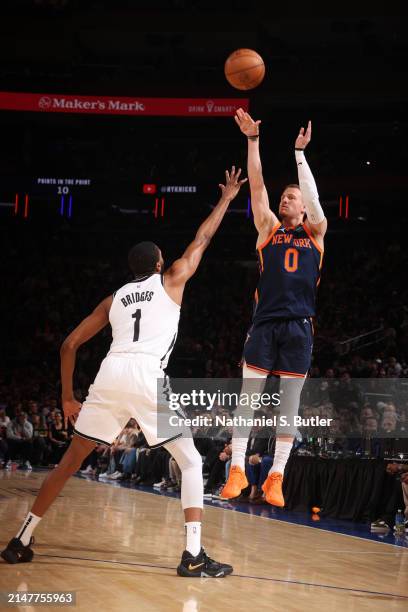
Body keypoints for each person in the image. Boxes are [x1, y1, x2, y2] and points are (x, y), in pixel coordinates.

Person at [1, 167, 247, 577]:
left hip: (110, 372)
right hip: (147, 374)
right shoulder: (171, 279)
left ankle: (20, 540)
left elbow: (68, 345)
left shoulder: (113, 298)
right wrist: (225, 199)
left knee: (68, 463)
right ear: (158, 262)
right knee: (189, 462)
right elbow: (203, 239)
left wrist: (66, 397)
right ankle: (193, 556)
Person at [221, 110, 327, 507]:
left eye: (293, 196)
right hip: (264, 324)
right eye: (285, 195)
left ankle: (276, 476)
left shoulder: (315, 233)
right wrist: (252, 141)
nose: (287, 197)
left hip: (299, 326)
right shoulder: (268, 229)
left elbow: (314, 200)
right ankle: (236, 472)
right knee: (248, 398)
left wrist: (300, 155)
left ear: (303, 209)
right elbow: (258, 187)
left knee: (289, 404)